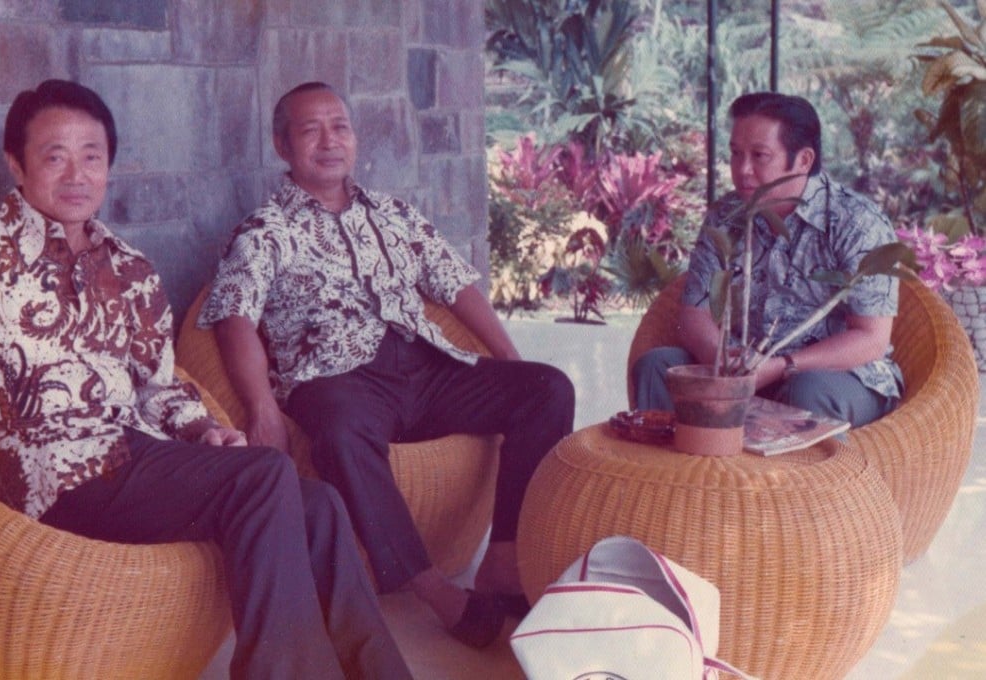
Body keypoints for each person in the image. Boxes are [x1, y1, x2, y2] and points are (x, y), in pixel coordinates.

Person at [0, 79, 412, 680]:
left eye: (91, 156)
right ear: (16, 164)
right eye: (54, 157)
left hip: (133, 458)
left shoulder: (129, 268)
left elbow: (157, 386)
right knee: (263, 475)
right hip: (50, 476)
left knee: (318, 504)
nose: (77, 175)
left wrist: (204, 430)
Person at [198, 81, 576, 648]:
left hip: (425, 367)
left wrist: (508, 358)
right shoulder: (264, 231)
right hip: (336, 379)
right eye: (311, 130)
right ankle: (432, 589)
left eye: (340, 127)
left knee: (547, 387)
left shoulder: (393, 214)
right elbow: (235, 319)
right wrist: (262, 409)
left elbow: (454, 284)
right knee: (340, 435)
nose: (330, 141)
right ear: (282, 146)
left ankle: (503, 559)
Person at [632, 92, 902, 427]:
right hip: (743, 369)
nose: (742, 170)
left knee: (807, 391)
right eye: (735, 154)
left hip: (836, 376)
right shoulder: (725, 216)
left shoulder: (857, 222)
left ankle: (795, 464)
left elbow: (871, 339)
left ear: (803, 160)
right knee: (657, 367)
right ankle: (678, 463)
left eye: (759, 156)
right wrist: (724, 360)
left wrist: (782, 366)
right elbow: (695, 313)